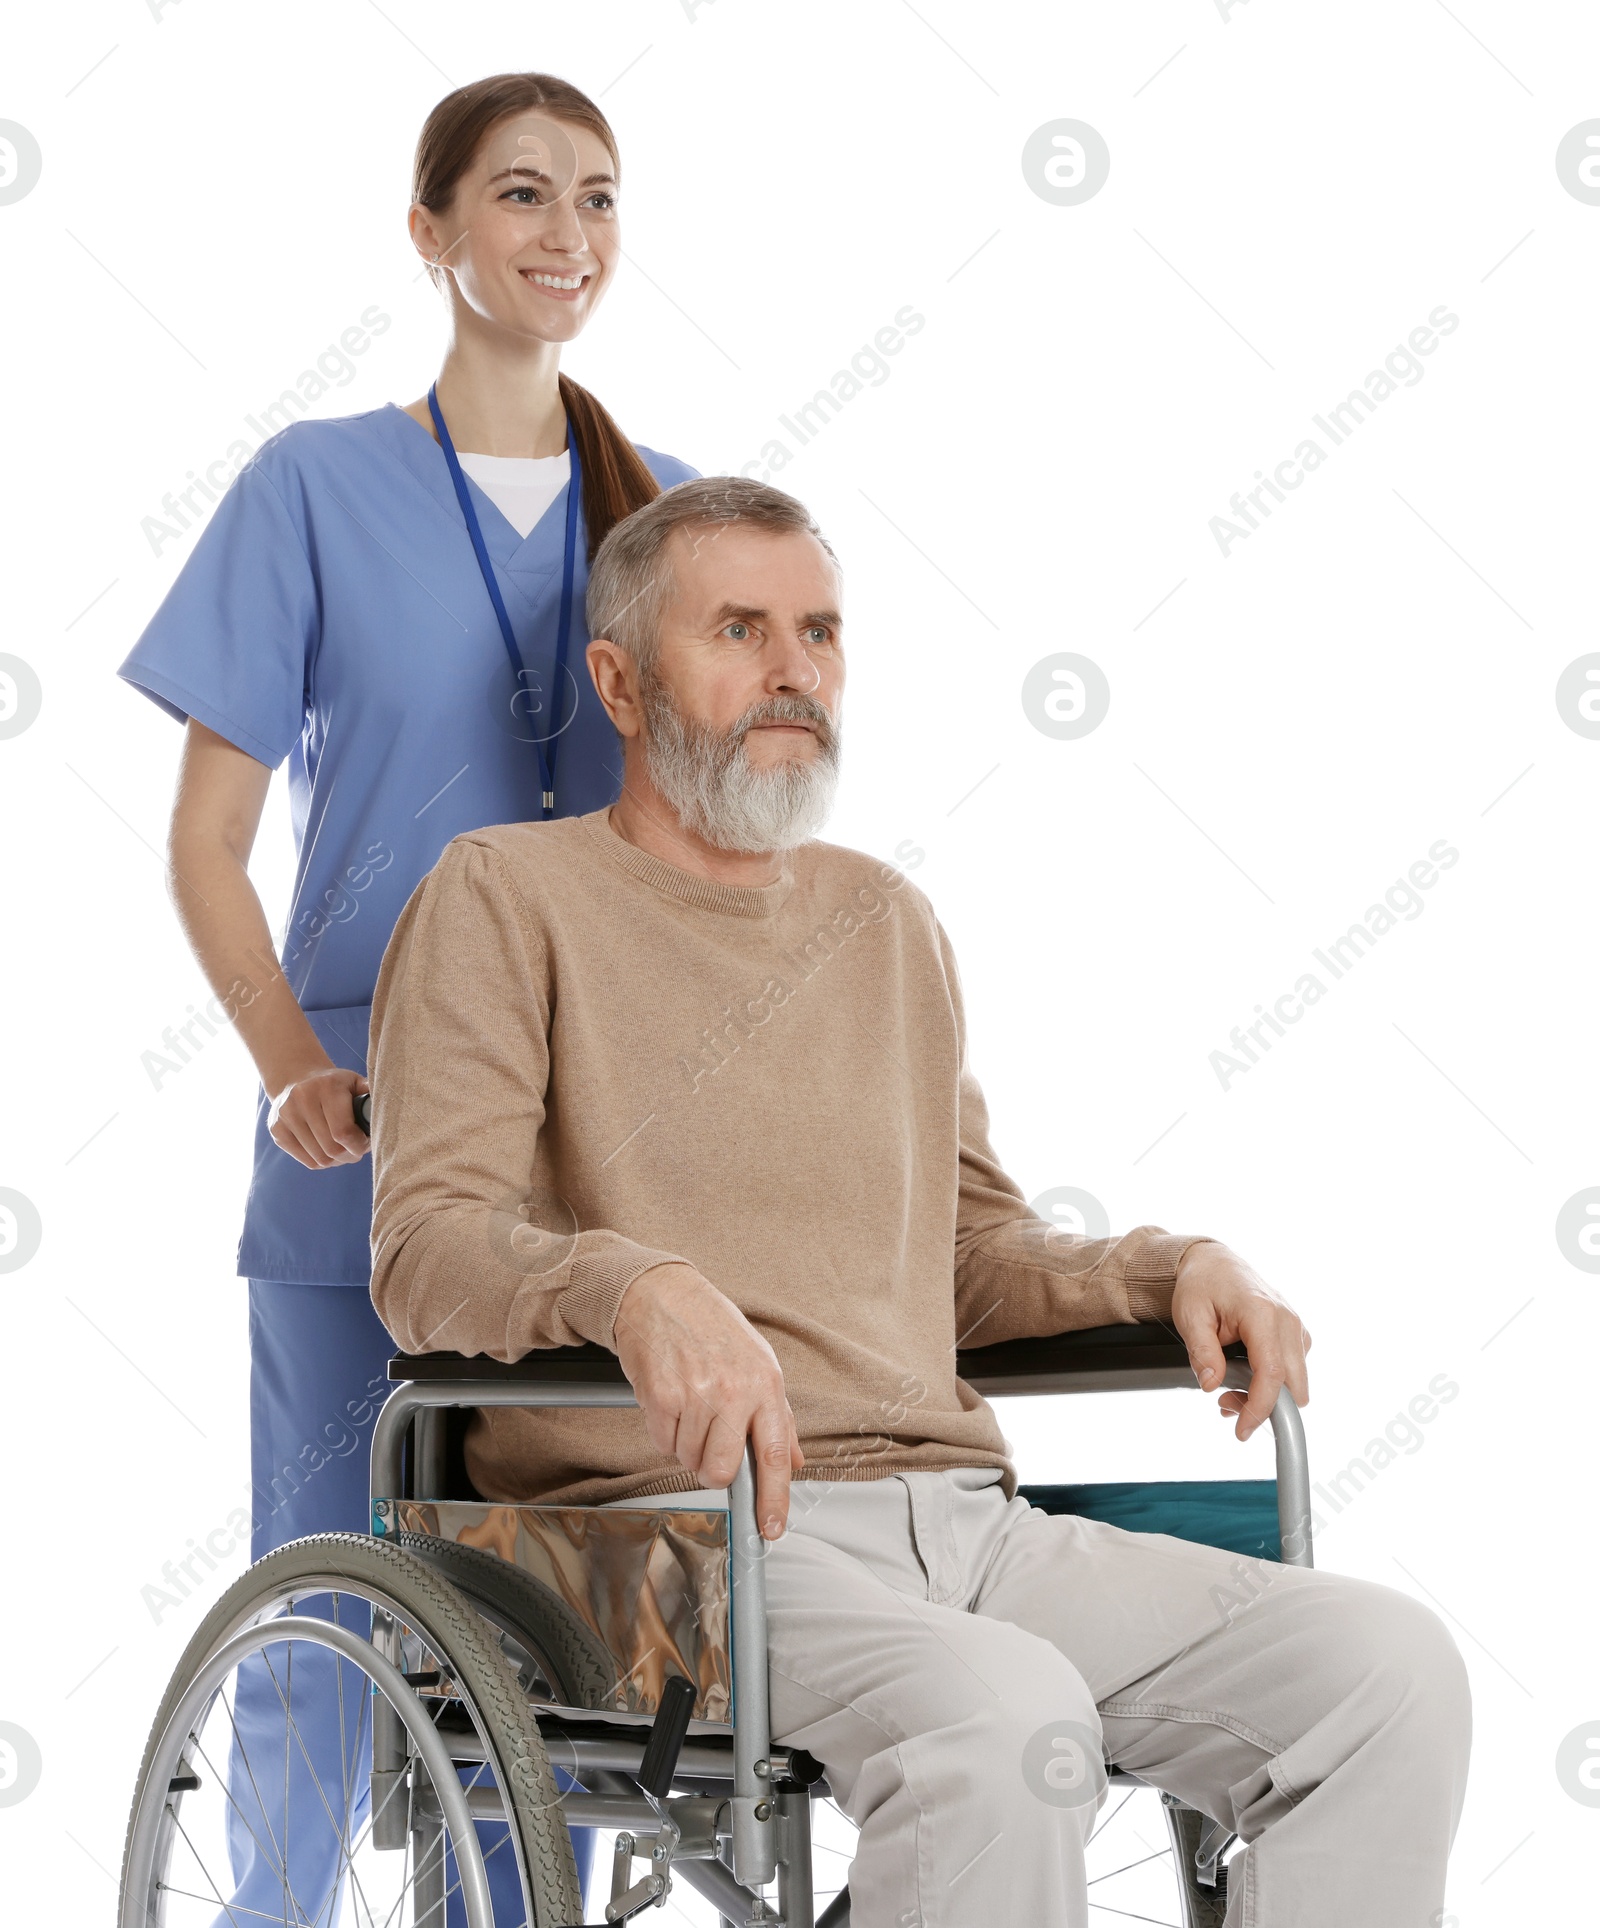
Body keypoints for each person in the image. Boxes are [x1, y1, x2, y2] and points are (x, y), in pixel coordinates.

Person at [367, 475, 1473, 1928]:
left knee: (1386, 1674)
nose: (794, 670)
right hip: (675, 1538)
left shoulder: (881, 921)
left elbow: (972, 1256)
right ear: (619, 682)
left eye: (821, 632)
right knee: (1008, 1721)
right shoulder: (505, 895)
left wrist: (1170, 1268)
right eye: (743, 630)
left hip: (961, 1527)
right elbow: (428, 1249)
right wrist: (629, 1289)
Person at [117, 69, 695, 1922]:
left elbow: (712, 848)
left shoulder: (666, 509)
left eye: (598, 201)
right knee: (319, 1600)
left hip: (588, 1137)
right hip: (359, 1125)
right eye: (523, 197)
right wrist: (291, 1063)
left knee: (560, 1634)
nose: (566, 238)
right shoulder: (312, 488)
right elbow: (208, 841)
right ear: (431, 227)